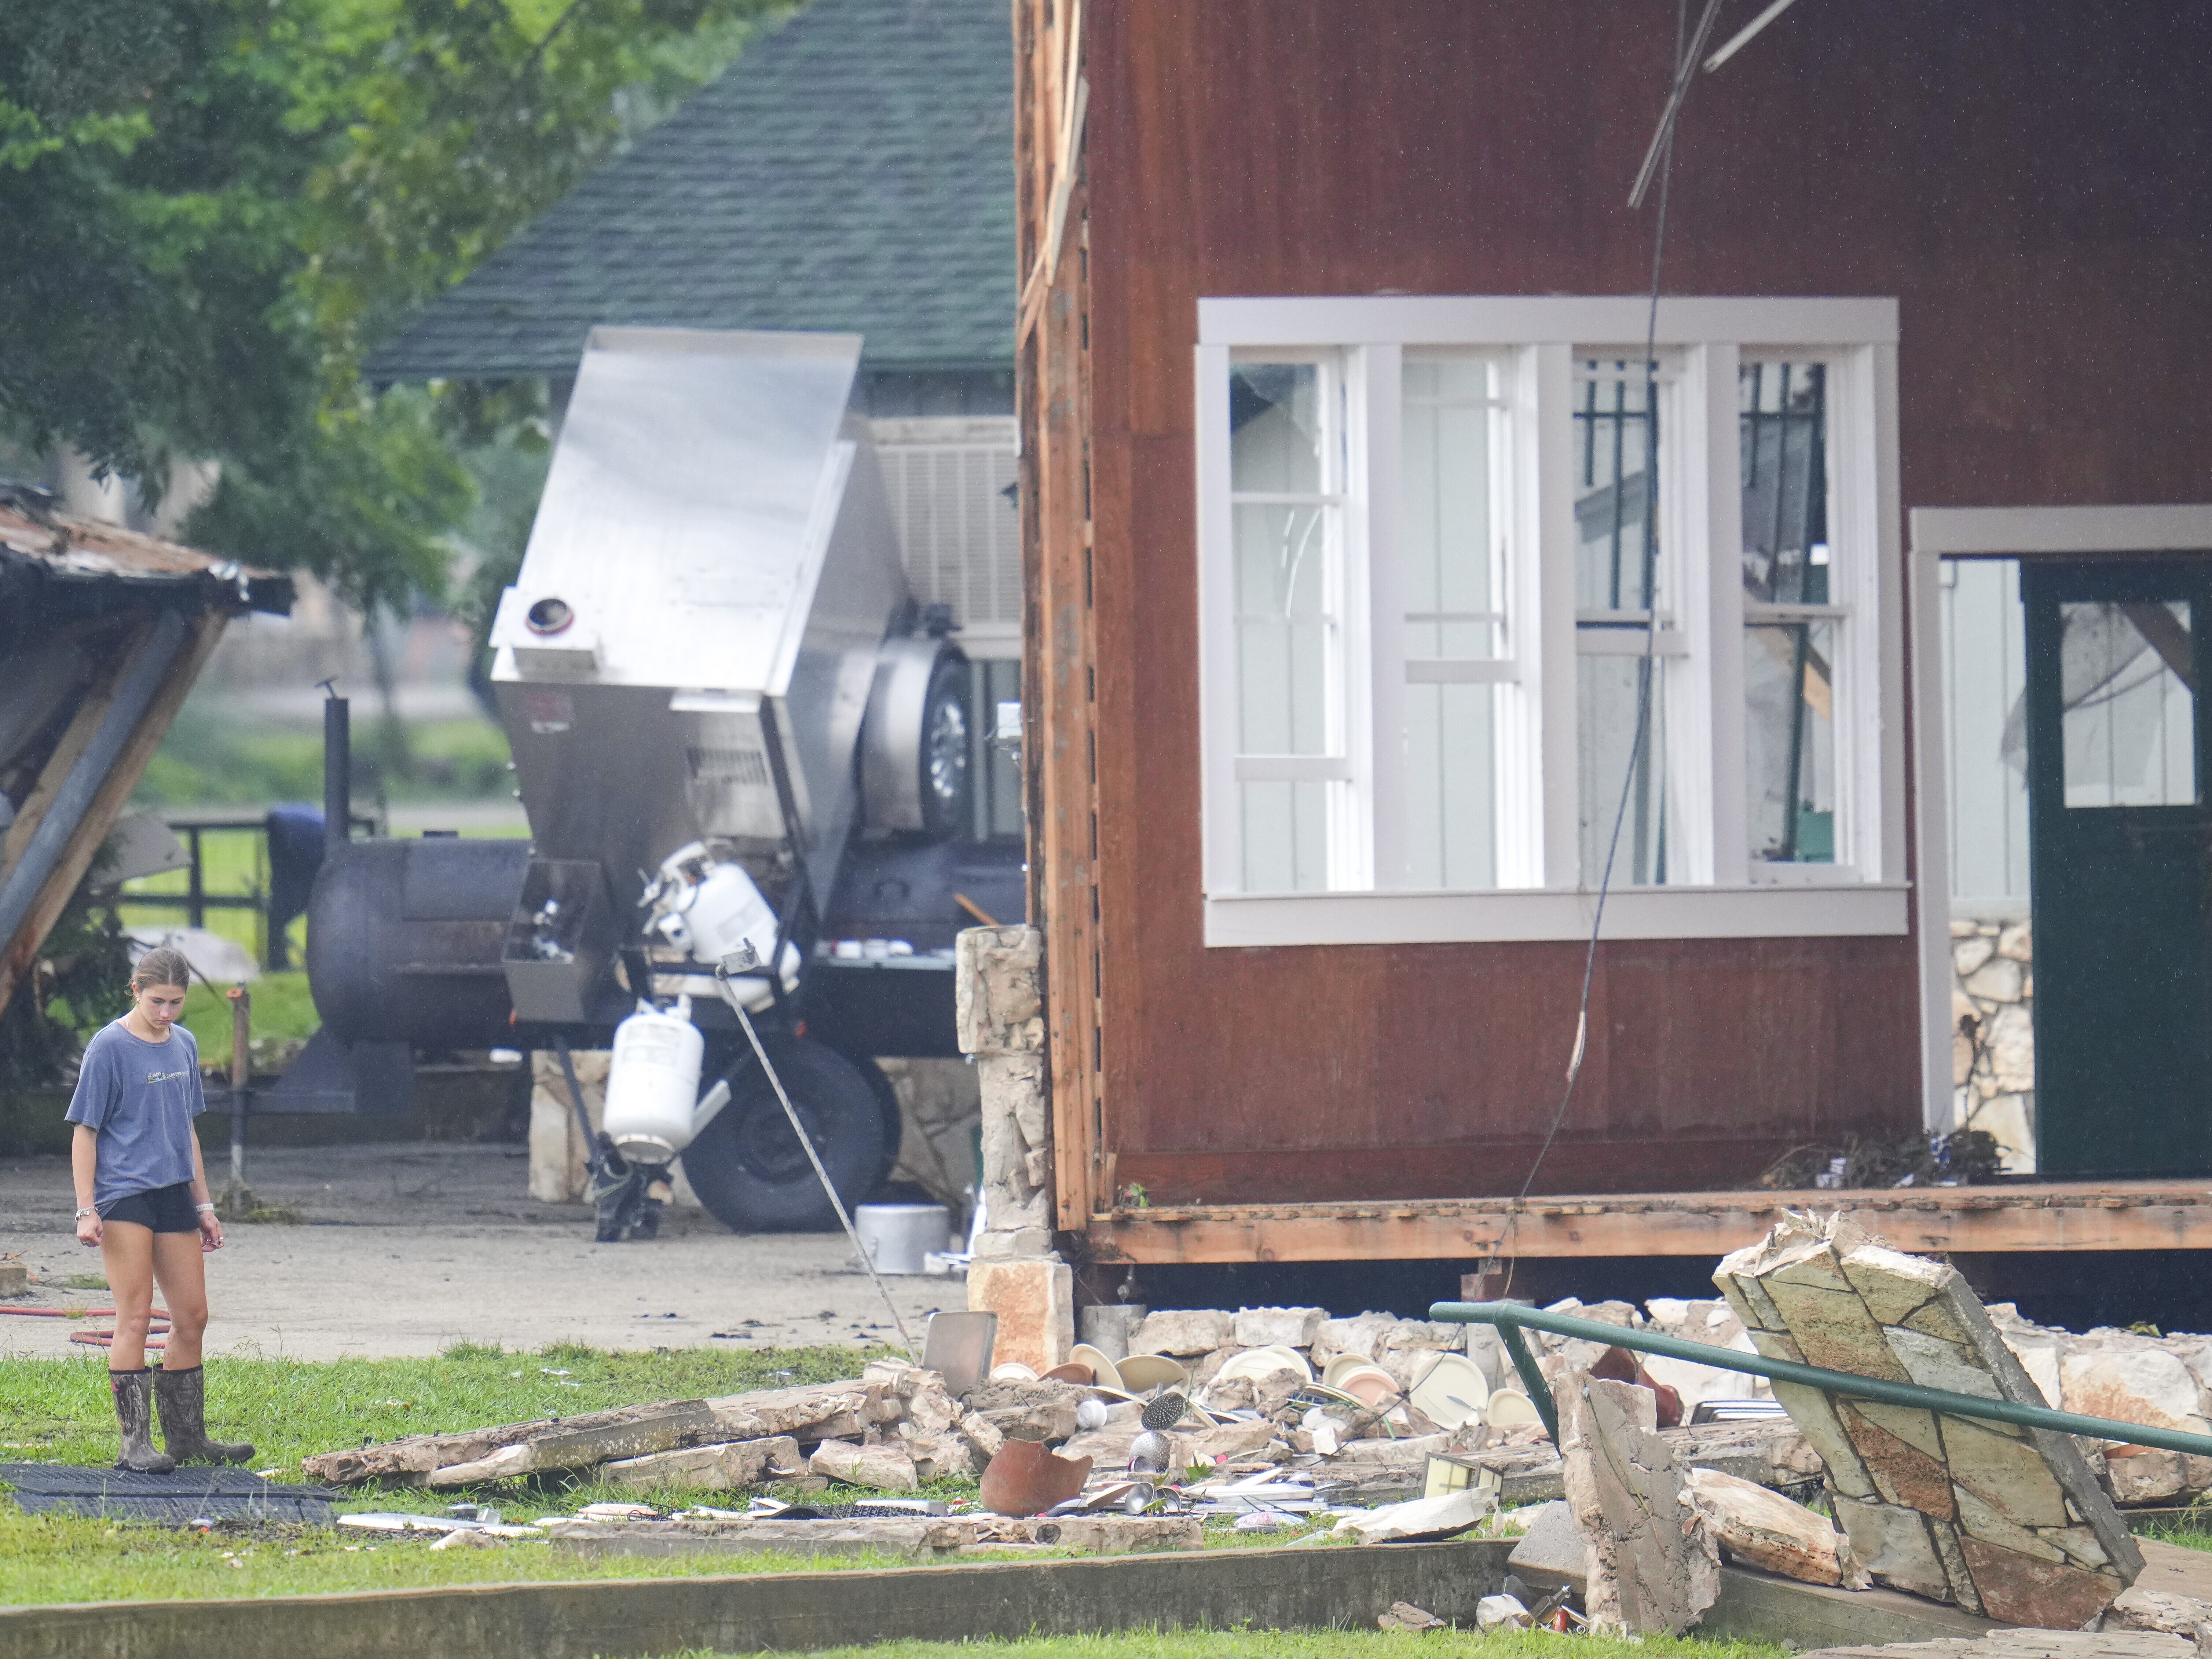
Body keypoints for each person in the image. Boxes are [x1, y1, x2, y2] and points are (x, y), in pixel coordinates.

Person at [68, 946, 253, 1472]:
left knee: (192, 1314)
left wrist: (206, 1204)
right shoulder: (109, 1047)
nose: (166, 1013)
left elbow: (186, 1131)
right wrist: (87, 1209)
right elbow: (86, 1131)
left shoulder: (185, 1045)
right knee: (134, 1315)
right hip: (124, 1194)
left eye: (176, 1002)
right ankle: (134, 1445)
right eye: (157, 1002)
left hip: (175, 1192)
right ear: (136, 991)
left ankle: (187, 1438)